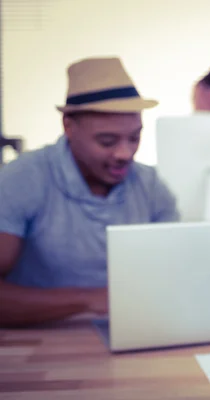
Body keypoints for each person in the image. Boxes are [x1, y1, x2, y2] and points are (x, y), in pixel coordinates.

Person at [0, 57, 180, 327]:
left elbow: (179, 272)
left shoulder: (150, 185)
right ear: (69, 127)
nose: (124, 153)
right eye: (107, 141)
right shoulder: (22, 179)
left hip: (133, 332)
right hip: (40, 346)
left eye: (134, 138)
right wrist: (90, 299)